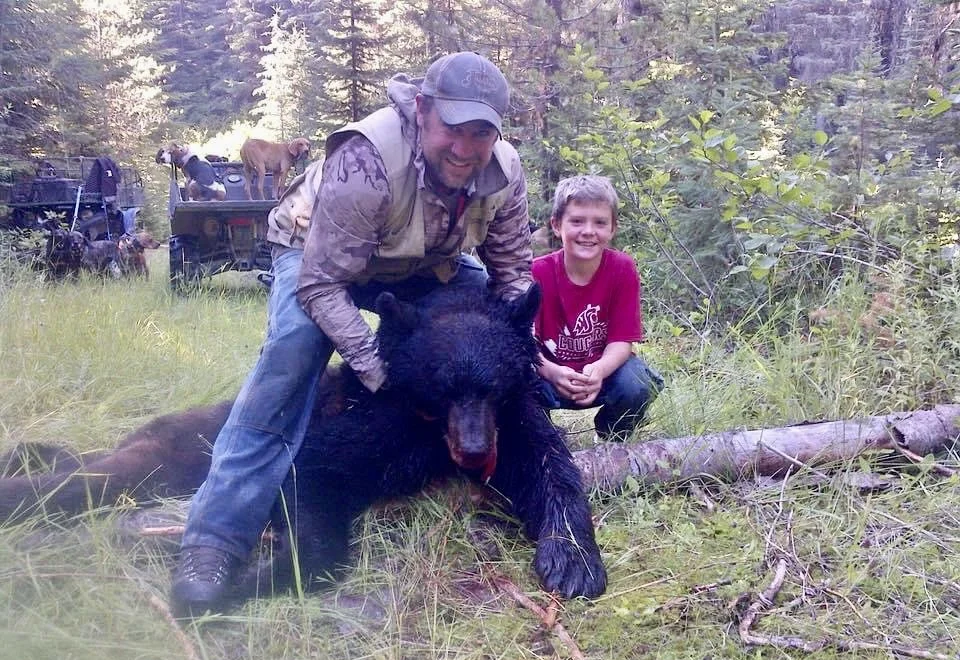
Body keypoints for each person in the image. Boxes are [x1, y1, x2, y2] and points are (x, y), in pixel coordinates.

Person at [170, 52, 533, 618]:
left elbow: (511, 278)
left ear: (497, 132)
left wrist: (522, 353)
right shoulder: (367, 157)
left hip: (419, 263)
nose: (465, 148)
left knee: (478, 318)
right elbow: (321, 284)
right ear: (422, 110)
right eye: (453, 129)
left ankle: (504, 458)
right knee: (294, 355)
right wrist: (378, 368)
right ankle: (214, 541)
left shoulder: (504, 171)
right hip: (316, 256)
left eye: (481, 133)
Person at [533, 175, 663, 441]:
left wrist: (600, 370)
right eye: (577, 221)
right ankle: (542, 439)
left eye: (600, 222)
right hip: (547, 374)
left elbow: (622, 342)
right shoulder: (537, 272)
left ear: (613, 228)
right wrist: (551, 372)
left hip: (601, 373)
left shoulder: (622, 269)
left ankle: (612, 435)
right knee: (511, 380)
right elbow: (523, 344)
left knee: (638, 383)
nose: (588, 231)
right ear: (556, 225)